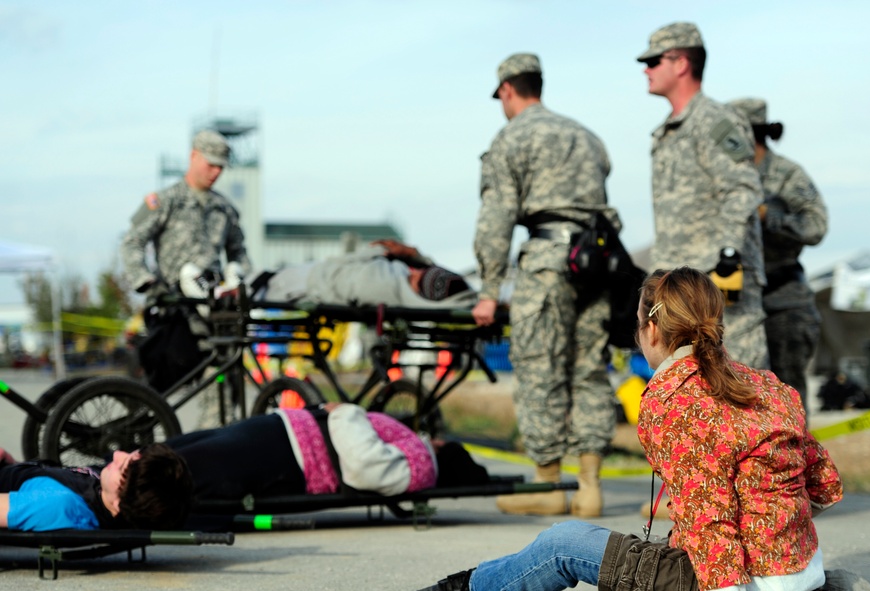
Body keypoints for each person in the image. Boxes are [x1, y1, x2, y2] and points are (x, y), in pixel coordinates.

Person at [408, 267, 870, 591]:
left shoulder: (675, 400)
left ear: (651, 329)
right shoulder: (768, 385)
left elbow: (709, 514)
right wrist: (774, 542)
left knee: (565, 543)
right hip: (788, 587)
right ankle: (813, 587)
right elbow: (824, 486)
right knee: (690, 537)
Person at [470, 52, 621, 518]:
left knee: (539, 367)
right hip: (595, 262)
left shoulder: (511, 138)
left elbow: (496, 218)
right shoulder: (587, 137)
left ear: (507, 91)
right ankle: (591, 488)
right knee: (590, 369)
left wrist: (490, 289)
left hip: (547, 261)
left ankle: (549, 483)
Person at [638, 23, 768, 369]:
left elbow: (742, 187)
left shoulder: (715, 121)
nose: (645, 69)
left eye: (653, 61)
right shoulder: (667, 131)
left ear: (681, 63)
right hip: (681, 287)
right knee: (686, 384)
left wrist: (728, 254)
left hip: (720, 281)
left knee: (741, 377)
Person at [120, 129, 252, 427]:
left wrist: (239, 277)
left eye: (221, 167)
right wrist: (146, 281)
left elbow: (239, 253)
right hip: (173, 311)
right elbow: (132, 243)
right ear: (193, 156)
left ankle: (212, 443)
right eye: (210, 164)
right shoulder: (165, 201)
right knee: (161, 385)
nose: (216, 172)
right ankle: (139, 437)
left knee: (219, 382)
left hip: (212, 311)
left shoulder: (224, 209)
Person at [165, 403, 489, 502]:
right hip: (286, 436)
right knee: (191, 448)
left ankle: (127, 483)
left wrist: (346, 412)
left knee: (185, 463)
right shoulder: (416, 457)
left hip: (291, 453)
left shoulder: (420, 466)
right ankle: (120, 467)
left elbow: (364, 464)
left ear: (443, 450)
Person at [728, 98, 828, 403]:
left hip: (782, 300)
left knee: (788, 398)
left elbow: (816, 225)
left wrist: (768, 216)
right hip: (735, 301)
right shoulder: (726, 177)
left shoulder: (786, 174)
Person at [0, 445, 193, 532]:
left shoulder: (59, 505)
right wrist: (12, 464)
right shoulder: (103, 493)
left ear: (119, 505)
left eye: (120, 466)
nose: (116, 454)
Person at [248, 239, 475, 309]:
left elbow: (339, 272)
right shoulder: (415, 289)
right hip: (319, 277)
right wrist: (412, 253)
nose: (413, 270)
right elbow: (440, 279)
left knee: (262, 284)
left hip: (314, 280)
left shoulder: (383, 284)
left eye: (417, 275)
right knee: (263, 280)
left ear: (419, 288)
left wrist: (376, 253)